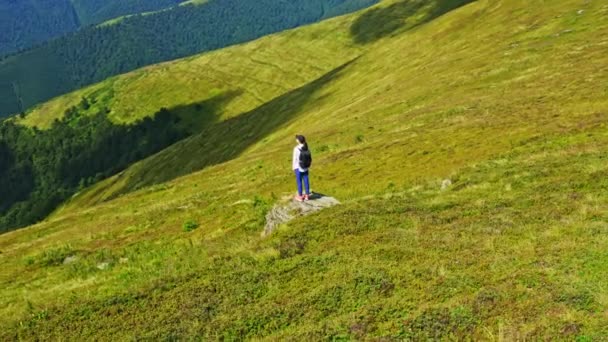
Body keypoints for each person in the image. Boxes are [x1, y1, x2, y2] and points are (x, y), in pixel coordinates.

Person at [293, 135, 312, 201]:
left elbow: (295, 159)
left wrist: (293, 168)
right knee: (306, 181)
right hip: (305, 167)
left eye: (297, 139)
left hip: (298, 167)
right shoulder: (306, 147)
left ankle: (300, 196)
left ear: (298, 141)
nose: (296, 140)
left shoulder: (296, 148)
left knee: (299, 182)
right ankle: (307, 195)